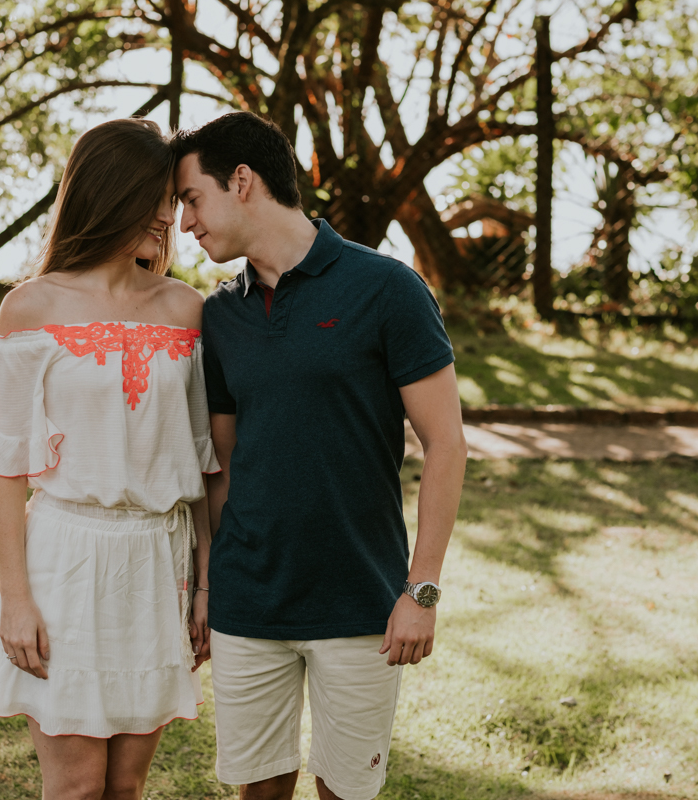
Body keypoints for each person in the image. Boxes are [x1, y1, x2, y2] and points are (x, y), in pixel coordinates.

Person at [171, 112, 468, 800]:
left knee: (345, 793)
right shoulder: (221, 315)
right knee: (259, 793)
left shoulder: (387, 288)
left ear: (241, 181)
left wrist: (421, 591)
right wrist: (210, 589)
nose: (185, 223)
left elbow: (447, 444)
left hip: (360, 604)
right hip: (249, 605)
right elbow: (223, 467)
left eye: (192, 199)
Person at [0, 118, 219, 800]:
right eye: (156, 198)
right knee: (76, 787)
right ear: (110, 194)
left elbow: (202, 462)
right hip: (65, 564)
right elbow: (8, 469)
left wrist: (205, 584)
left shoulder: (187, 310)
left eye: (173, 199)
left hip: (159, 563)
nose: (169, 216)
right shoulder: (31, 308)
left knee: (125, 788)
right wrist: (16, 599)